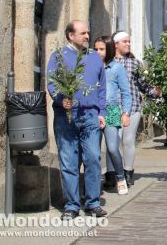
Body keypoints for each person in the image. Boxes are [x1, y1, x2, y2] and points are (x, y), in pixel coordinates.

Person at [47, 20, 107, 219]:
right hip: (66, 118)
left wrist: (102, 113)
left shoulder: (95, 58)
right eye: (83, 33)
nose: (87, 37)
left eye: (88, 33)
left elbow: (101, 88)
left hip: (90, 115)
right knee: (69, 161)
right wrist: (61, 99)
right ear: (70, 36)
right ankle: (72, 205)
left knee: (92, 158)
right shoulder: (58, 58)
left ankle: (92, 203)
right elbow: (52, 83)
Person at [111, 31, 158, 187]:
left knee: (128, 140)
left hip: (133, 107)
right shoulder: (108, 62)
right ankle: (111, 174)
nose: (128, 44)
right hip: (112, 107)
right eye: (124, 41)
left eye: (129, 41)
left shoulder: (135, 63)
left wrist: (155, 92)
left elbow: (144, 85)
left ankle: (128, 171)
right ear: (115, 44)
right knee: (113, 141)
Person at [94, 35, 132, 195]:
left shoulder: (116, 68)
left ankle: (120, 177)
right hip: (94, 111)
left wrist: (126, 113)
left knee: (112, 148)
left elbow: (126, 93)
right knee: (93, 151)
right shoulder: (91, 67)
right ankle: (93, 184)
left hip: (111, 111)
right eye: (95, 49)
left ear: (109, 50)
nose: (97, 52)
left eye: (101, 49)